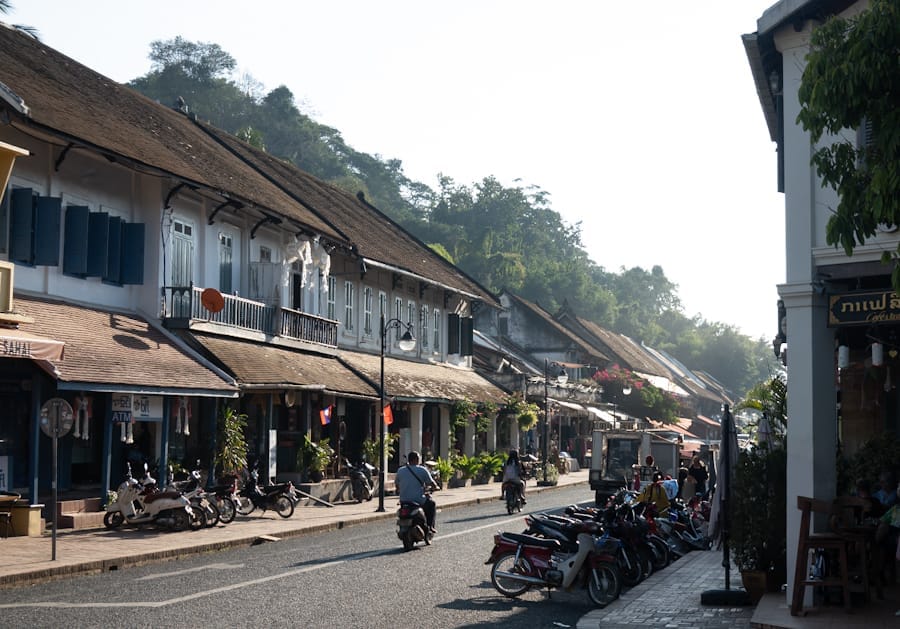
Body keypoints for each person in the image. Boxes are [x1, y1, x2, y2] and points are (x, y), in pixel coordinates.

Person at [395, 451, 438, 532]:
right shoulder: (422, 470)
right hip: (418, 500)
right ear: (416, 459)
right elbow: (432, 484)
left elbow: (397, 485)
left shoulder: (400, 470)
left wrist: (399, 490)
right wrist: (435, 488)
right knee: (431, 504)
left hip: (404, 500)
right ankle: (430, 526)